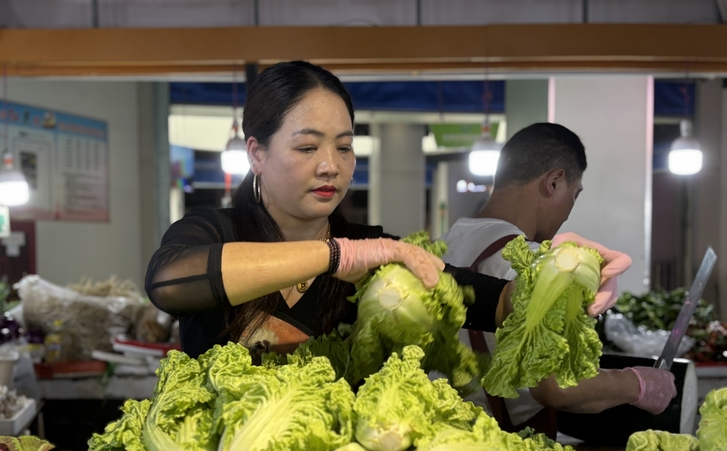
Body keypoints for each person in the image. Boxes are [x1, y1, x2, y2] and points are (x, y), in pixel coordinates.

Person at [145, 62, 627, 375]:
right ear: (257, 152)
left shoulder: (380, 253)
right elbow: (169, 283)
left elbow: (495, 301)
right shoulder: (214, 231)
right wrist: (338, 255)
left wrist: (568, 272)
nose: (331, 164)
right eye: (308, 147)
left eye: (346, 146)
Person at [443, 123, 676, 429]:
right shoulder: (535, 265)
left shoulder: (439, 248)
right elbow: (556, 388)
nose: (568, 212)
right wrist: (638, 384)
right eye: (574, 195)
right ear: (554, 182)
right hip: (503, 450)